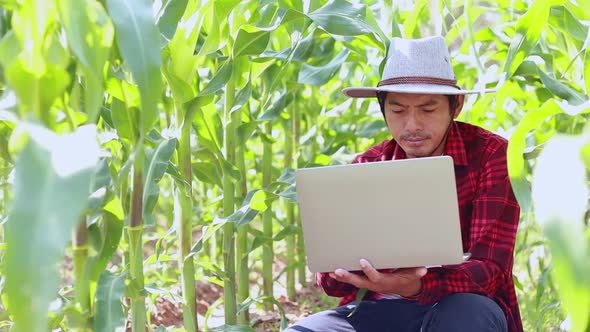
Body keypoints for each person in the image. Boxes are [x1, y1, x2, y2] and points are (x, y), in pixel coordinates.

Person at [285, 36, 522, 332]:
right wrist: (344, 268)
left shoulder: (491, 155)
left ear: (456, 106)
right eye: (398, 111)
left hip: (459, 306)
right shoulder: (366, 166)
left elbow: (490, 270)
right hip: (378, 307)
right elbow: (330, 282)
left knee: (468, 318)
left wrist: (418, 285)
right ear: (382, 109)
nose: (412, 125)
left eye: (427, 109)